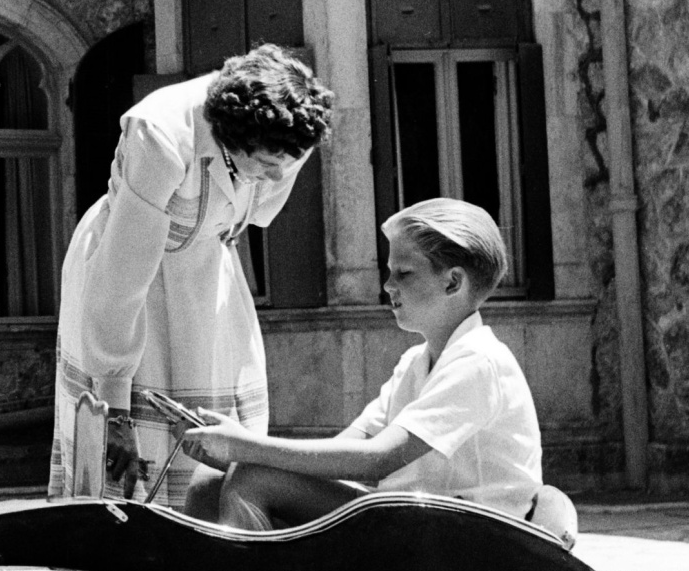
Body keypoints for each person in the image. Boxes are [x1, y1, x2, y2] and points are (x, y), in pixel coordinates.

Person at [48, 43, 333, 571]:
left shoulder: (291, 125)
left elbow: (247, 217)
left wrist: (268, 174)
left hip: (207, 293)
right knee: (126, 497)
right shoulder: (160, 133)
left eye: (285, 164)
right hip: (131, 298)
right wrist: (110, 400)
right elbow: (122, 274)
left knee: (214, 493)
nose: (277, 176)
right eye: (265, 163)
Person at [177, 198, 543, 532]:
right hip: (415, 523)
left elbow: (377, 460)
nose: (388, 285)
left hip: (465, 538)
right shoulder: (416, 362)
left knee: (253, 478)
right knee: (210, 481)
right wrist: (227, 447)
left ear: (453, 282)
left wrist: (244, 447)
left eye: (404, 273)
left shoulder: (478, 361)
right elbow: (346, 449)